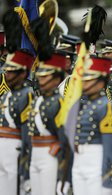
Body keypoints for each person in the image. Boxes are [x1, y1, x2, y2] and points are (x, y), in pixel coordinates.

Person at [72, 56, 112, 195]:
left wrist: (109, 176)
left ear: (100, 82)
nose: (84, 83)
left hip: (97, 160)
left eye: (89, 79)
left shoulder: (105, 106)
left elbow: (111, 144)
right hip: (80, 160)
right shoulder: (85, 105)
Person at [27, 51, 69, 195]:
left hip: (50, 154)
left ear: (57, 78)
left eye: (45, 77)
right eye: (40, 76)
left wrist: (64, 174)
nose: (40, 80)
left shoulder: (59, 103)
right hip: (35, 153)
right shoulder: (37, 100)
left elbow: (65, 138)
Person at [0, 49, 35, 195]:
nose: (6, 74)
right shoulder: (6, 95)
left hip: (16, 150)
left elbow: (27, 132)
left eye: (11, 71)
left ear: (22, 74)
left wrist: (25, 161)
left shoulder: (27, 95)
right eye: (6, 70)